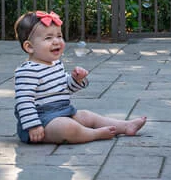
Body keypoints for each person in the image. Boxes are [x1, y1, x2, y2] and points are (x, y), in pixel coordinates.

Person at [14, 10, 146, 144]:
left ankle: (125, 126)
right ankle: (94, 134)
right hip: (41, 122)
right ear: (29, 47)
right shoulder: (27, 71)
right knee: (67, 127)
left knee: (87, 116)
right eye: (48, 38)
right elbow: (24, 101)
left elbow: (65, 88)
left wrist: (76, 79)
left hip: (63, 111)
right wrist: (33, 126)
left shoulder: (55, 64)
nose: (56, 41)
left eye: (59, 36)